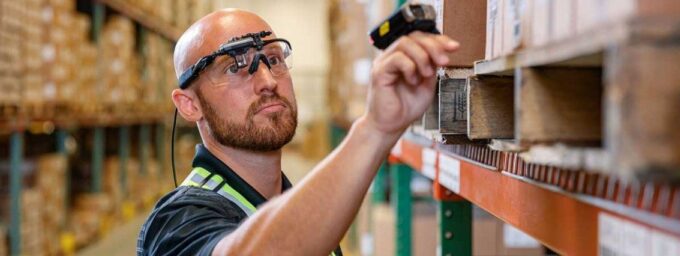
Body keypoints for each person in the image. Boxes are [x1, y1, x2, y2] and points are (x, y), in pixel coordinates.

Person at [137, 8, 459, 255]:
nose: (267, 81)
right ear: (189, 105)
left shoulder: (292, 203)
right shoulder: (175, 223)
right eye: (235, 66)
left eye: (274, 59)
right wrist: (374, 129)